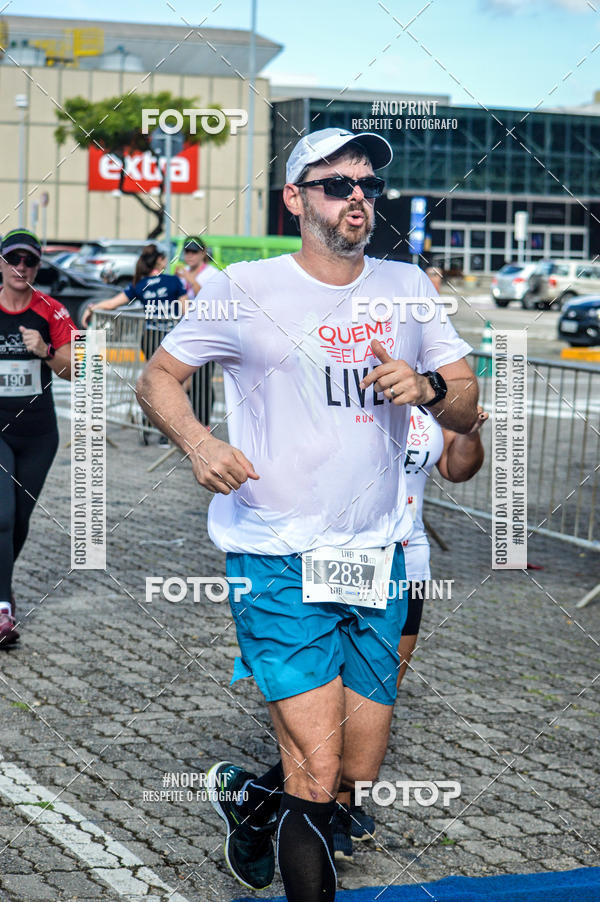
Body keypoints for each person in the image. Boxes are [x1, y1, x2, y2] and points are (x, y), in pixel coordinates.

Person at [136, 127, 479, 901]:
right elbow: (158, 376)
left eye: (368, 185)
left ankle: (253, 808)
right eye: (338, 183)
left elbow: (466, 405)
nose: (358, 196)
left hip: (378, 554)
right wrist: (196, 442)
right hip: (276, 551)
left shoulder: (407, 284)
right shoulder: (244, 287)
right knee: (318, 772)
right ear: (296, 198)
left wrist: (426, 387)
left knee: (356, 776)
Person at [331, 403, 488, 859]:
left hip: (410, 564)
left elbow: (456, 469)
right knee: (335, 695)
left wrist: (470, 433)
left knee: (377, 693)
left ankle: (332, 803)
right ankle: (320, 810)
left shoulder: (433, 395)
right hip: (347, 558)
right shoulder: (348, 379)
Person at [0, 229, 76, 647]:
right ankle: (2, 609)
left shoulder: (51, 310)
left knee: (19, 521)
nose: (21, 268)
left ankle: (1, 588)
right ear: (1, 264)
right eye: (13, 260)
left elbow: (78, 370)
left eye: (29, 261)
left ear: (37, 266)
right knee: (3, 515)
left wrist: (46, 351)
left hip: (38, 435)